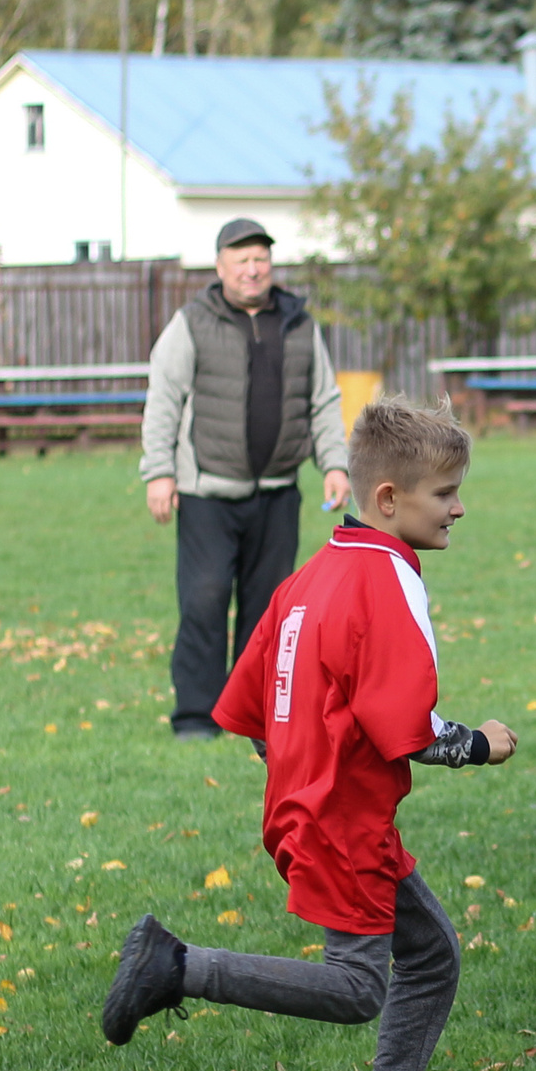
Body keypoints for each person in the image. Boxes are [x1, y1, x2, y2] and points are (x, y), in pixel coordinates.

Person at [100, 396, 518, 1071]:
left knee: (430, 952)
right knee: (359, 987)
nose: (460, 508)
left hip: (315, 805)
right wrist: (481, 745)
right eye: (446, 493)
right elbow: (409, 730)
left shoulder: (311, 576)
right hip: (343, 818)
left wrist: (306, 763)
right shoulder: (388, 580)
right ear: (388, 499)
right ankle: (179, 967)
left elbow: (251, 704)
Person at [142, 218, 351, 739]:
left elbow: (323, 398)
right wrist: (159, 473)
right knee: (205, 599)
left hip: (278, 492)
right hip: (207, 490)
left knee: (267, 613)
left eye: (261, 260)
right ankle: (195, 716)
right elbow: (163, 398)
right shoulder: (192, 322)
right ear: (220, 268)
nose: (253, 270)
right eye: (242, 261)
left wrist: (335, 464)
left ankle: (254, 718)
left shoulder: (300, 324)